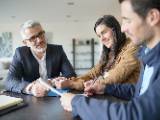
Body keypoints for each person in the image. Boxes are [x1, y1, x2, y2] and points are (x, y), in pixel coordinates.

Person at [60, 0, 160, 119]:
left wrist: (76, 102)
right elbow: (138, 91)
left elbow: (134, 114)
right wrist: (105, 88)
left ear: (152, 17)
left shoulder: (135, 48)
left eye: (127, 20)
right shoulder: (147, 53)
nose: (123, 28)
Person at [55, 15, 140, 91]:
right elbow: (92, 74)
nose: (102, 39)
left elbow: (115, 76)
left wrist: (73, 84)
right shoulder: (109, 53)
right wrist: (70, 81)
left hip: (128, 101)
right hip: (112, 98)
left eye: (104, 32)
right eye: (99, 36)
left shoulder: (132, 46)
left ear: (115, 30)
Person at [5, 20, 76, 97]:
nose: (40, 40)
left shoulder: (58, 50)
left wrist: (52, 82)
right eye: (32, 38)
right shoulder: (20, 53)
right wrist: (30, 88)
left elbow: (71, 74)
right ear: (26, 43)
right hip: (31, 98)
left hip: (55, 96)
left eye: (40, 34)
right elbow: (10, 81)